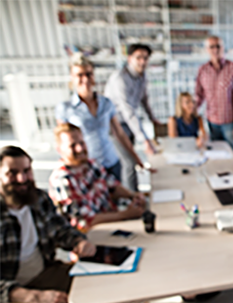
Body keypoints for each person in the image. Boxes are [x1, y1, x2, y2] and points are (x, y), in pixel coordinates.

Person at [0, 146, 96, 303]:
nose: (22, 179)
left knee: (102, 281)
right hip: (12, 293)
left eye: (26, 171)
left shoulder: (39, 199)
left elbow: (61, 230)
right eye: (12, 173)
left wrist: (79, 242)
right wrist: (31, 296)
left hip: (46, 273)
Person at [55, 53, 145, 185]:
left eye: (88, 74)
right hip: (87, 167)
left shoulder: (106, 103)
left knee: (116, 201)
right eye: (80, 75)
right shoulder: (65, 109)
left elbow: (119, 133)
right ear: (72, 78)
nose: (85, 79)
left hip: (111, 162)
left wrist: (136, 158)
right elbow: (63, 144)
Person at [49, 123, 147, 231]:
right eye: (72, 145)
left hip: (114, 221)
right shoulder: (62, 180)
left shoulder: (92, 164)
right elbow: (85, 221)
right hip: (95, 233)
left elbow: (113, 187)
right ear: (59, 150)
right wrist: (125, 215)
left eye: (82, 143)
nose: (80, 148)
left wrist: (133, 196)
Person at [104, 44, 161, 192]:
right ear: (129, 59)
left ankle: (134, 195)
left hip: (128, 123)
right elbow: (128, 110)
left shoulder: (142, 76)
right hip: (115, 124)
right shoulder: (120, 78)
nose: (142, 61)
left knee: (132, 162)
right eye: (138, 58)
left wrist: (153, 119)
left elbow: (144, 100)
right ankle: (133, 200)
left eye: (146, 58)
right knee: (129, 162)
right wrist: (144, 139)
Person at [195, 36, 233, 152]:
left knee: (231, 156)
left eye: (218, 46)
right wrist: (188, 113)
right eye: (211, 47)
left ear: (223, 48)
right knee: (215, 155)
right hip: (211, 123)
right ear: (206, 49)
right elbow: (199, 95)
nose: (215, 50)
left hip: (230, 123)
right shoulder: (202, 70)